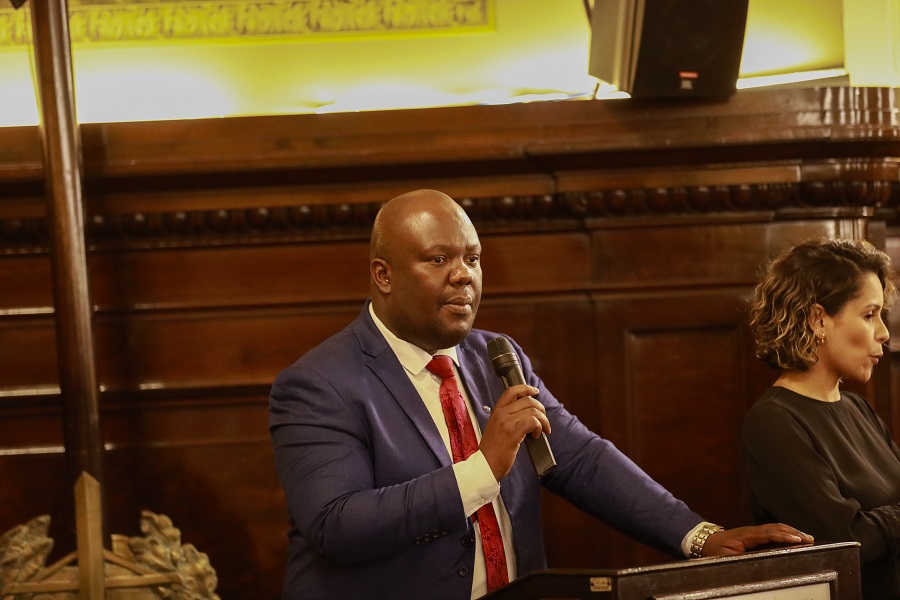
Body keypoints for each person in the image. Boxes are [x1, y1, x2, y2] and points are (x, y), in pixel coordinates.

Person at [269, 188, 812, 600]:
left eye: (473, 259)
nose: (463, 277)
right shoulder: (320, 384)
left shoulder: (495, 356)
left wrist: (698, 537)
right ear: (383, 276)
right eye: (438, 260)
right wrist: (483, 468)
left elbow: (580, 458)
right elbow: (337, 525)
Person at [742, 237, 900, 600]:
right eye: (869, 315)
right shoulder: (774, 421)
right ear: (818, 319)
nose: (884, 333)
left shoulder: (858, 408)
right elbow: (844, 541)